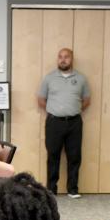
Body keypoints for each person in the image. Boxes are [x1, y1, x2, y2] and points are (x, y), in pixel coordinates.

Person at [37, 48, 90, 198]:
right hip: (54, 123)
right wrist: (55, 110)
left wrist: (72, 109)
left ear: (72, 59)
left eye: (66, 57)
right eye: (60, 57)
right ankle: (51, 190)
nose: (63, 59)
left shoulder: (81, 79)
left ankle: (73, 189)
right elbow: (41, 99)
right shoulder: (49, 78)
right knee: (53, 156)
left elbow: (86, 100)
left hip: (74, 123)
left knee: (75, 156)